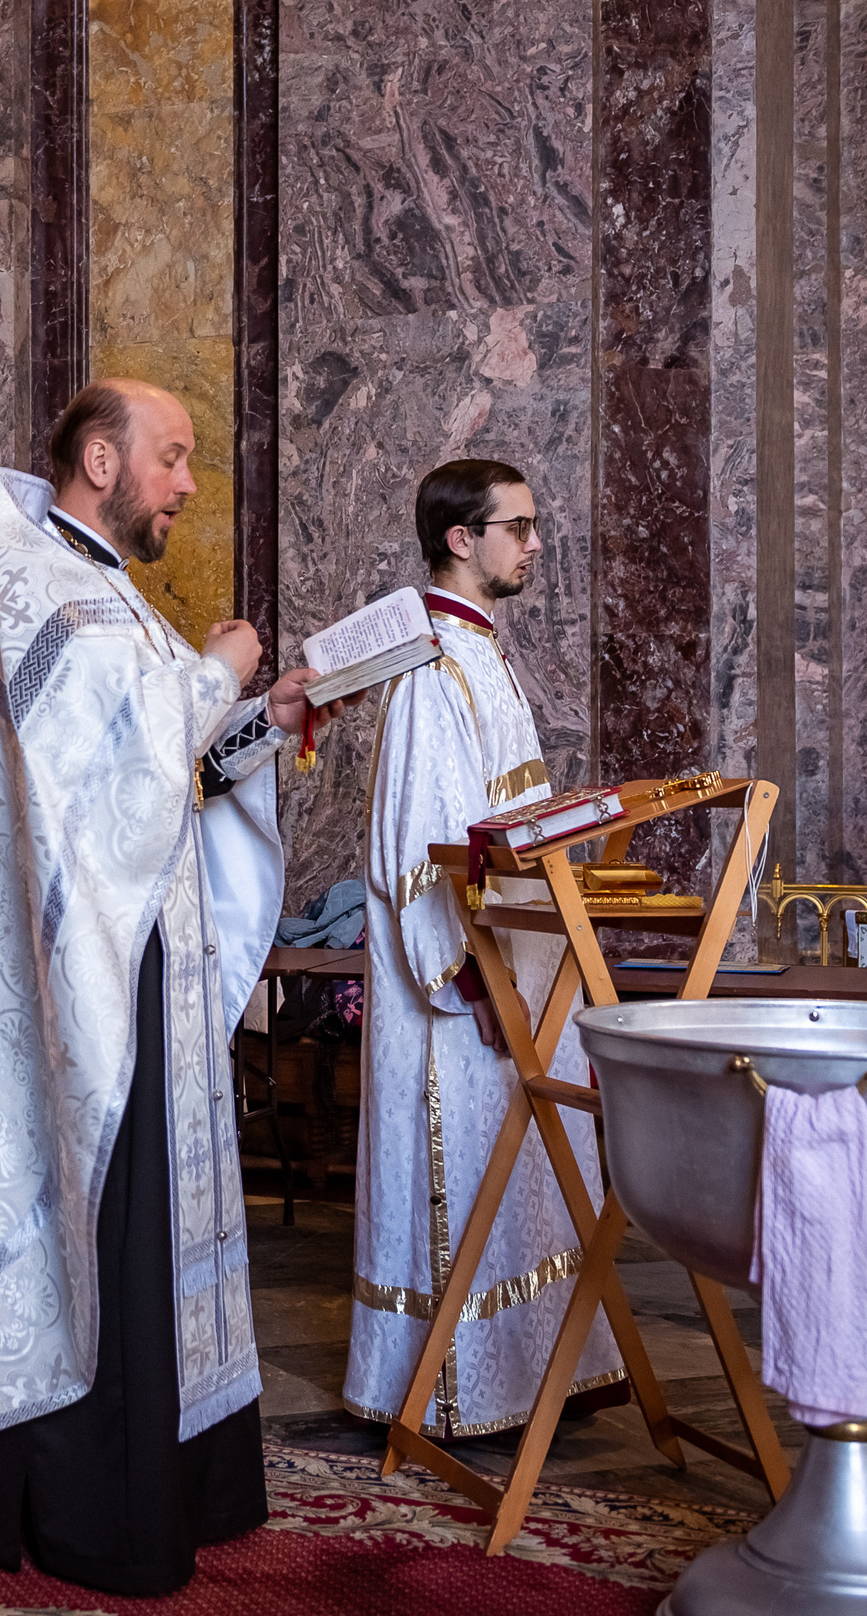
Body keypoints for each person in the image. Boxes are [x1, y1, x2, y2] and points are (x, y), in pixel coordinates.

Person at [0, 380, 331, 1597]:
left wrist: (255, 718)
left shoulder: (97, 583)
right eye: (171, 459)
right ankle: (82, 1513)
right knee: (93, 1225)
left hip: (134, 957)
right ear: (98, 458)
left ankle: (175, 1478)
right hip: (76, 979)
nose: (185, 482)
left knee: (141, 1232)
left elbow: (152, 768)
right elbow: (106, 775)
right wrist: (219, 668)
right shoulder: (32, 582)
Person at [346, 458, 627, 1437]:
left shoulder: (480, 650)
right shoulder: (430, 664)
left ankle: (530, 1372)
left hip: (514, 957)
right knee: (464, 1172)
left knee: (528, 1178)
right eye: (518, 526)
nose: (535, 542)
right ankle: (455, 1386)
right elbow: (418, 847)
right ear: (461, 540)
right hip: (467, 982)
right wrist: (475, 975)